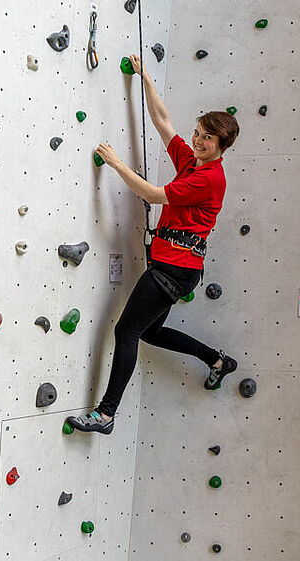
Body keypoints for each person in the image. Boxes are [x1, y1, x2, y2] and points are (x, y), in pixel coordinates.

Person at [66, 53, 240, 435]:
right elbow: (163, 122)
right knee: (149, 332)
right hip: (176, 266)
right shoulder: (194, 163)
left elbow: (152, 193)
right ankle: (216, 361)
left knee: (125, 332)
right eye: (198, 133)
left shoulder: (209, 178)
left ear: (222, 145)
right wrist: (145, 76)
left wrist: (115, 163)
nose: (197, 140)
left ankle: (106, 414)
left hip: (172, 269)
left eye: (207, 138)